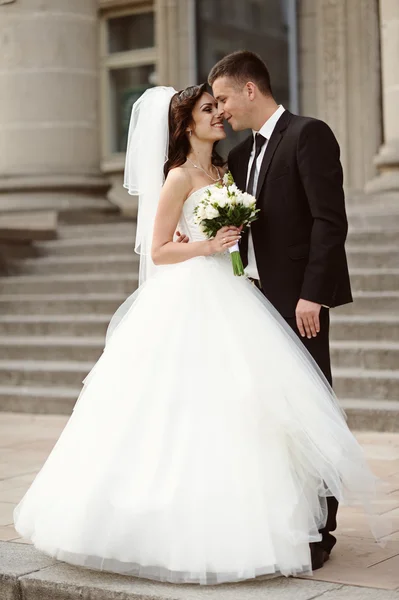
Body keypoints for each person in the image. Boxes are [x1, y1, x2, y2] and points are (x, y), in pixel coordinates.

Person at [13, 84, 380, 586]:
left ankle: (266, 521)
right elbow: (159, 250)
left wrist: (227, 248)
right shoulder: (179, 177)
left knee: (247, 406)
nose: (220, 115)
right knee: (186, 409)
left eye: (219, 105)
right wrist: (205, 246)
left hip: (237, 292)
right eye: (209, 109)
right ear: (186, 123)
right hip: (192, 297)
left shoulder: (229, 167)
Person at [209, 50, 353, 569]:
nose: (220, 111)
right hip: (254, 302)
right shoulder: (244, 153)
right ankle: (287, 517)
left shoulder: (308, 134)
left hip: (299, 303)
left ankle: (322, 530)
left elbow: (329, 222)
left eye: (223, 98)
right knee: (273, 415)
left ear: (251, 89)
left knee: (311, 412)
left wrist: (313, 293)